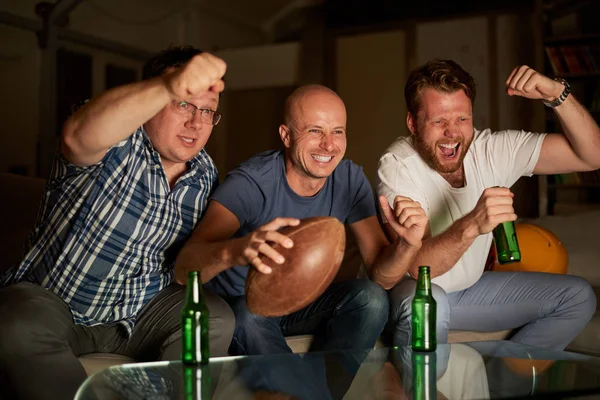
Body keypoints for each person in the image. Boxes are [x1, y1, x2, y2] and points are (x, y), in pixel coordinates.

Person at [0, 46, 235, 400]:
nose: (196, 122)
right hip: (56, 302)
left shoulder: (206, 175)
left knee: (212, 314)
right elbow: (78, 135)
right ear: (152, 99)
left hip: (137, 315)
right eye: (184, 104)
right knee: (14, 324)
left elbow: (195, 262)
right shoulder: (118, 138)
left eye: (207, 111)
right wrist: (172, 85)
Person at [175, 84, 428, 364]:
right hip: (246, 305)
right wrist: (237, 250)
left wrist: (407, 244)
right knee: (248, 316)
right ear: (286, 136)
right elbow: (184, 268)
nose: (329, 145)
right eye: (315, 131)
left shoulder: (348, 179)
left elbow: (382, 277)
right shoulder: (251, 183)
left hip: (304, 305)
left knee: (372, 298)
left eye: (337, 132)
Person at [377, 59, 598, 350]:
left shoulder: (491, 150)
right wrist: (473, 224)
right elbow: (420, 268)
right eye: (438, 121)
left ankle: (502, 385)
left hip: (468, 291)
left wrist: (556, 94)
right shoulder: (398, 165)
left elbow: (591, 156)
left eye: (462, 119)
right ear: (413, 123)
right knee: (433, 303)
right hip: (415, 291)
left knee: (578, 297)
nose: (452, 133)